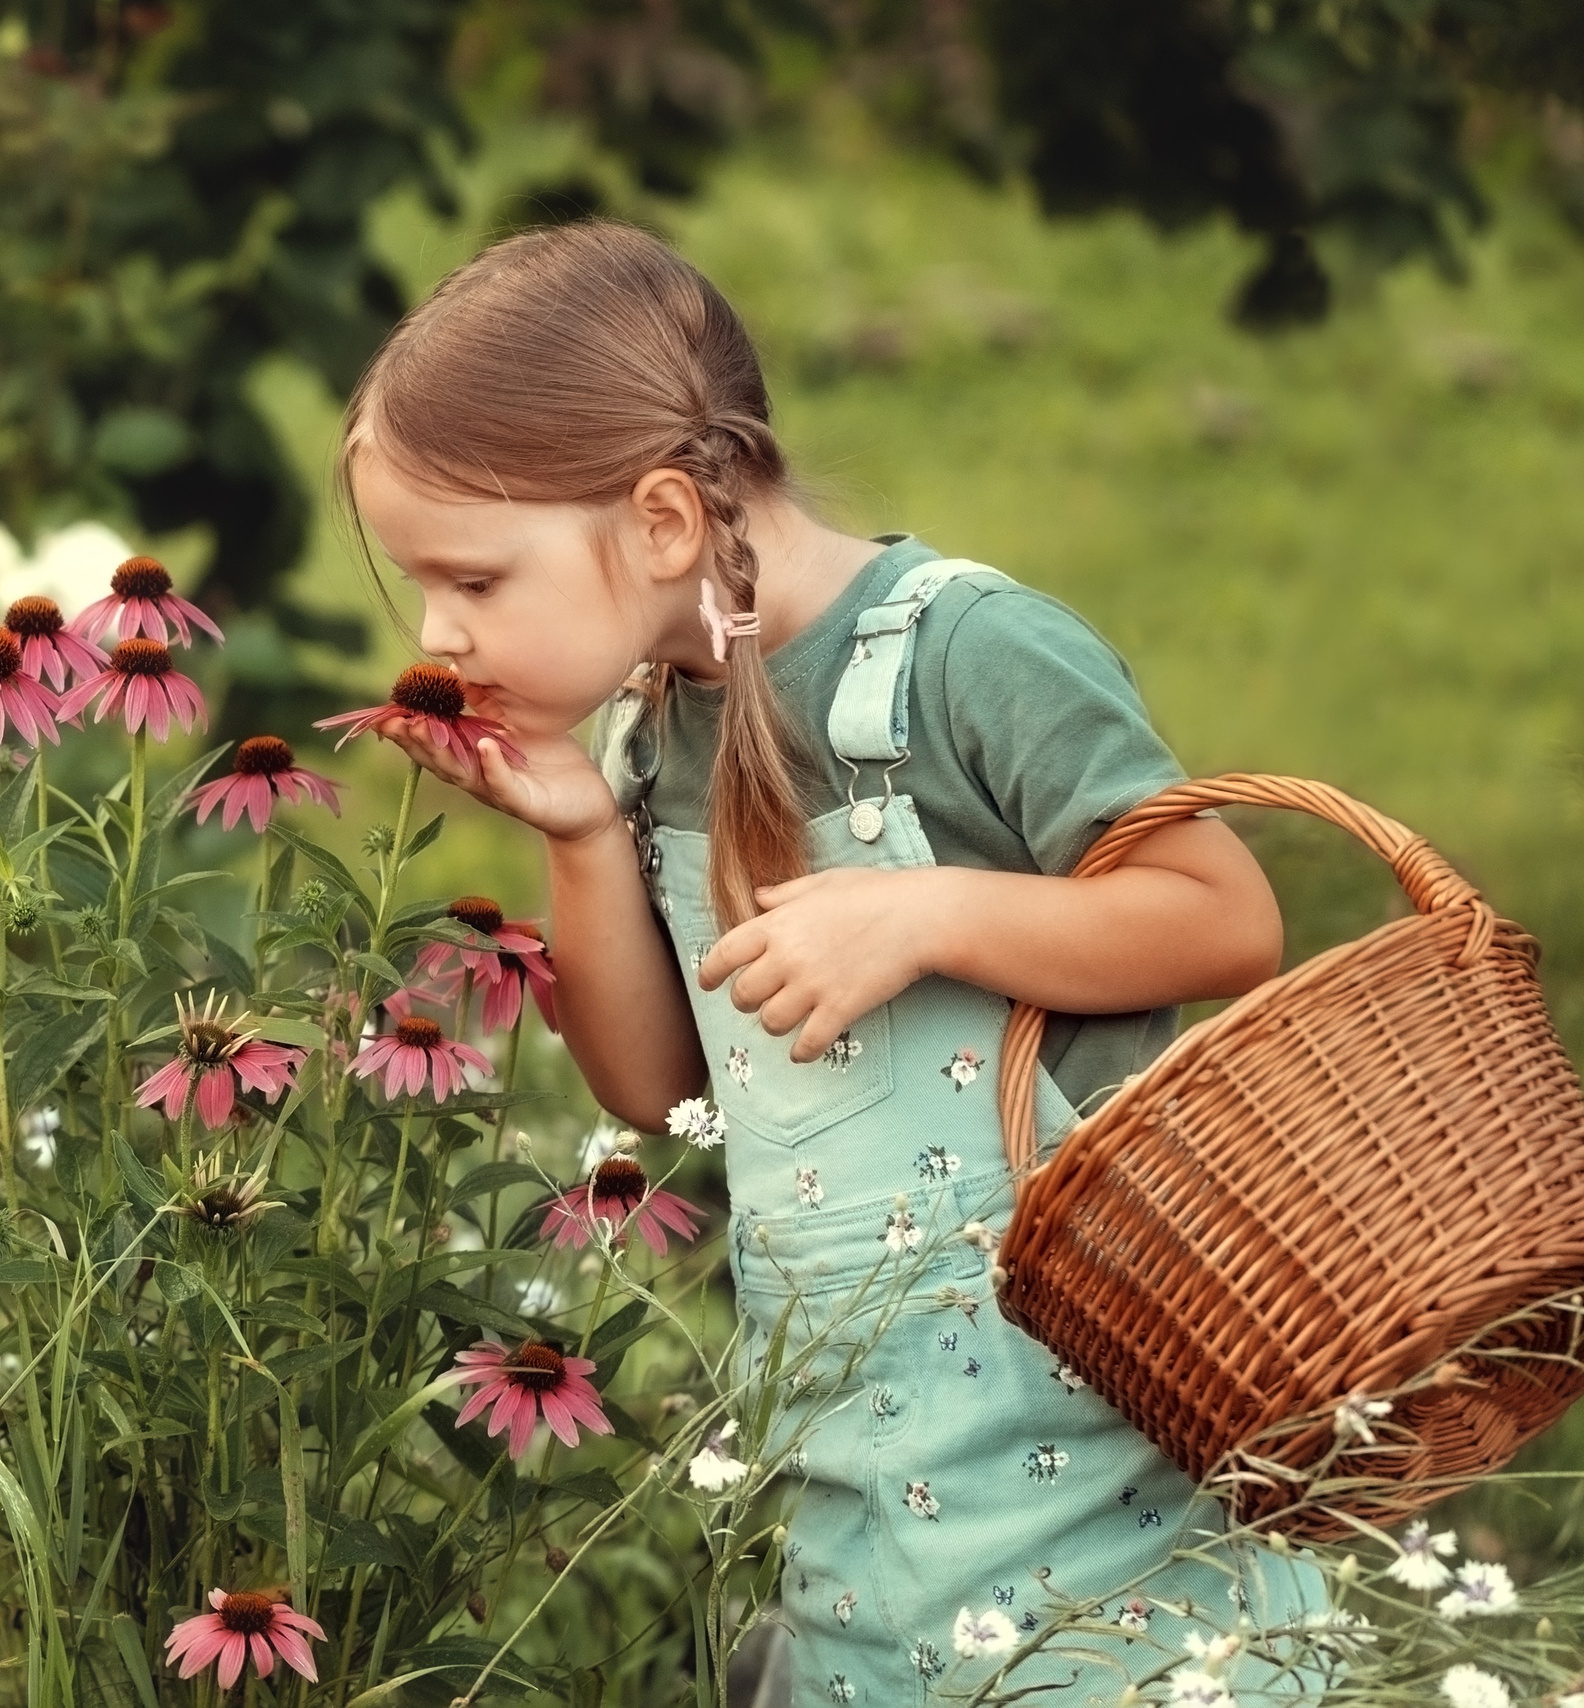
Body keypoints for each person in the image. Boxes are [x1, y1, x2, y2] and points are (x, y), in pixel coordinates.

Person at [336, 220, 1332, 1706]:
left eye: (474, 580)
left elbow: (1221, 912)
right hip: (859, 1486)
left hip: (1110, 1467)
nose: (436, 631)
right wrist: (581, 841)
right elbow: (659, 1086)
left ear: (665, 521)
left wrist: (925, 915)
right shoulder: (652, 726)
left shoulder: (964, 652)